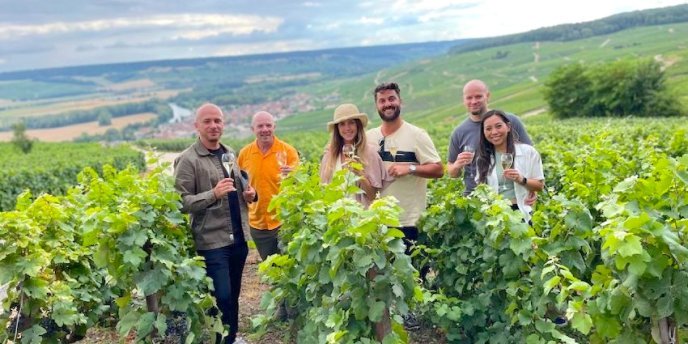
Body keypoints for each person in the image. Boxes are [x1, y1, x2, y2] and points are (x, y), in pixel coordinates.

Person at [173, 103, 256, 344]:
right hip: (211, 241)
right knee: (221, 296)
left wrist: (250, 194)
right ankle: (221, 340)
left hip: (238, 238)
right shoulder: (188, 160)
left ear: (223, 124)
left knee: (234, 295)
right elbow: (180, 202)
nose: (213, 126)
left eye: (217, 121)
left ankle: (231, 338)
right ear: (196, 126)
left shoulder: (229, 152)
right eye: (207, 121)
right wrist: (213, 194)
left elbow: (239, 188)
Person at [366, 82, 443, 252]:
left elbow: (438, 170)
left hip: (409, 222)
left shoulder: (417, 135)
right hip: (378, 222)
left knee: (414, 277)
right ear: (377, 106)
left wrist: (410, 168)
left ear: (401, 101)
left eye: (392, 99)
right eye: (382, 100)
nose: (388, 104)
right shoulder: (369, 137)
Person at [447, 79, 533, 196]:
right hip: (475, 197)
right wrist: (457, 165)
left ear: (487, 96)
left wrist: (531, 188)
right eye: (469, 98)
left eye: (478, 97)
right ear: (464, 100)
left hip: (511, 194)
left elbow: (531, 159)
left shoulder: (510, 121)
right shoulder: (459, 132)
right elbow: (452, 173)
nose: (473, 101)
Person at [237, 111, 299, 261]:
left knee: (290, 267)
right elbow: (240, 185)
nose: (265, 129)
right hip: (258, 224)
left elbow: (300, 186)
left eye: (268, 125)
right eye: (260, 126)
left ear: (274, 127)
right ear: (253, 129)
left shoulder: (288, 151)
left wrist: (295, 175)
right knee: (272, 269)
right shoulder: (245, 154)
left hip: (285, 222)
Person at [475, 110, 544, 223]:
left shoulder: (528, 152)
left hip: (521, 212)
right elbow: (480, 191)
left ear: (508, 127)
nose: (494, 132)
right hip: (494, 216)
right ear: (483, 132)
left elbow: (539, 186)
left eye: (498, 126)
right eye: (488, 129)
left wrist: (521, 179)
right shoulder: (482, 159)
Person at [320, 103, 389, 207]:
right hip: (336, 220)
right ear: (337, 129)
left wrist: (361, 175)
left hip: (361, 220)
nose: (347, 128)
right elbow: (323, 192)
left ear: (358, 125)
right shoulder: (329, 156)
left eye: (351, 123)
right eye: (342, 124)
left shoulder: (370, 154)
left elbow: (374, 197)